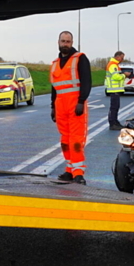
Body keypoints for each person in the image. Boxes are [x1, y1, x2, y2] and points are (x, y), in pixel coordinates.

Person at [50, 31, 91, 184]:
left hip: (75, 104)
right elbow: (54, 88)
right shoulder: (54, 63)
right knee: (65, 140)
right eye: (63, 41)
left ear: (72, 43)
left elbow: (87, 81)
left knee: (76, 139)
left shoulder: (80, 58)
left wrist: (81, 101)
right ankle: (69, 170)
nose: (65, 44)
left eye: (68, 41)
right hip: (60, 105)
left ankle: (78, 172)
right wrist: (53, 107)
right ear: (58, 42)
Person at [105, 50, 126, 130]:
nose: (122, 59)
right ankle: (112, 123)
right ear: (117, 56)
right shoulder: (113, 65)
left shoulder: (115, 65)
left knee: (115, 107)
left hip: (115, 90)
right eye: (122, 57)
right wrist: (124, 75)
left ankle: (115, 122)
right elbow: (115, 77)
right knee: (114, 107)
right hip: (113, 89)